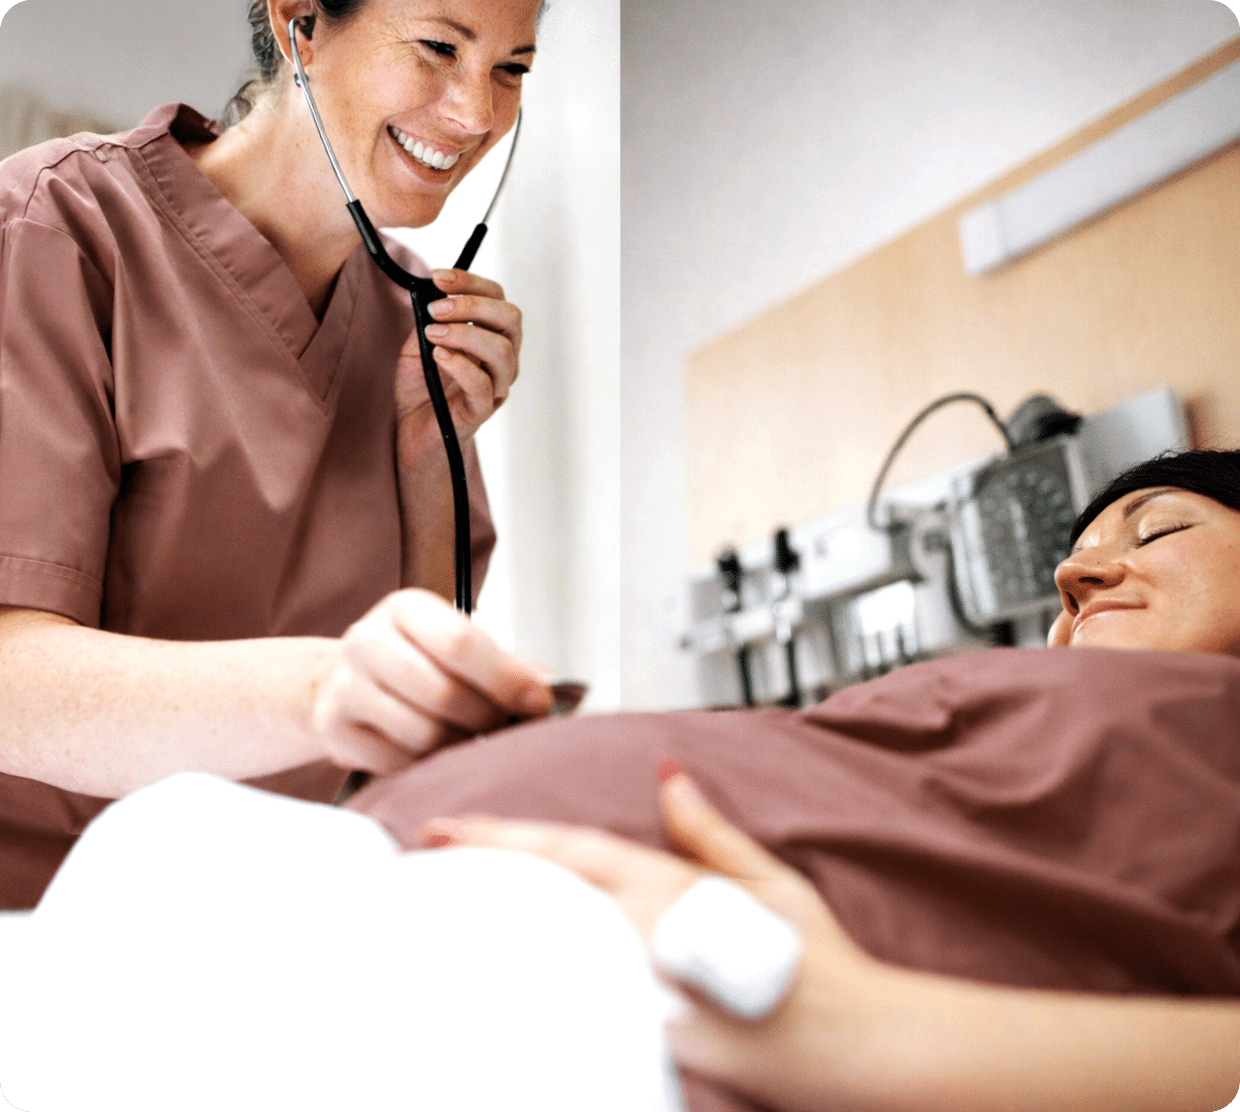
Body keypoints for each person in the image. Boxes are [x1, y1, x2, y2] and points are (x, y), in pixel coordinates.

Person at [422, 449, 1240, 1112]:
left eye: (1159, 529)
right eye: (1075, 559)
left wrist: (859, 1029)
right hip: (466, 937)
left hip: (609, 1029)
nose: (1073, 578)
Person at [0, 0, 556, 908]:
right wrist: (323, 687)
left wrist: (429, 458)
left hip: (269, 925)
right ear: (300, 19)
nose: (475, 114)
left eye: (511, 69)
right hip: (31, 932)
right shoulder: (58, 223)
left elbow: (410, 734)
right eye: (438, 48)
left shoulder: (411, 317)